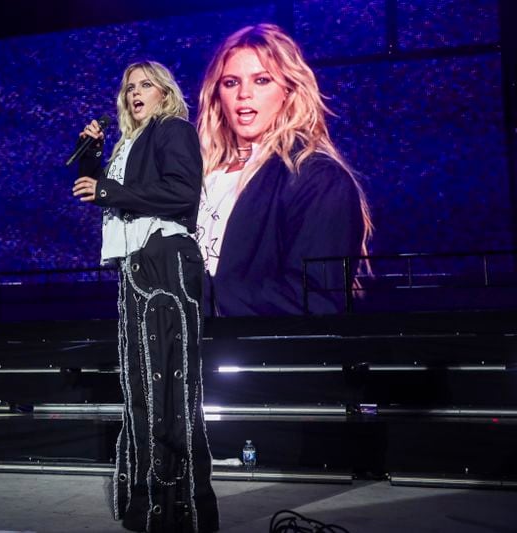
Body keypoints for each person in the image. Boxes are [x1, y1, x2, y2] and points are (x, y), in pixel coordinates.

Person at [72, 61, 219, 532]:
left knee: (168, 391)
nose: (135, 93)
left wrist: (109, 189)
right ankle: (147, 503)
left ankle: (179, 509)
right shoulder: (128, 142)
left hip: (165, 259)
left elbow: (180, 193)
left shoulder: (172, 129)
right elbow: (105, 194)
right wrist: (93, 156)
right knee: (143, 389)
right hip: (136, 265)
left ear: (164, 92)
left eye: (145, 85)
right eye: (129, 87)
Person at [195, 23, 373, 316]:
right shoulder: (200, 177)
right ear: (217, 95)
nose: (244, 94)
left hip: (252, 355)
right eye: (231, 83)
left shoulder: (316, 178)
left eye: (261, 80)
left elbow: (315, 296)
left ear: (288, 91)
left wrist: (196, 298)